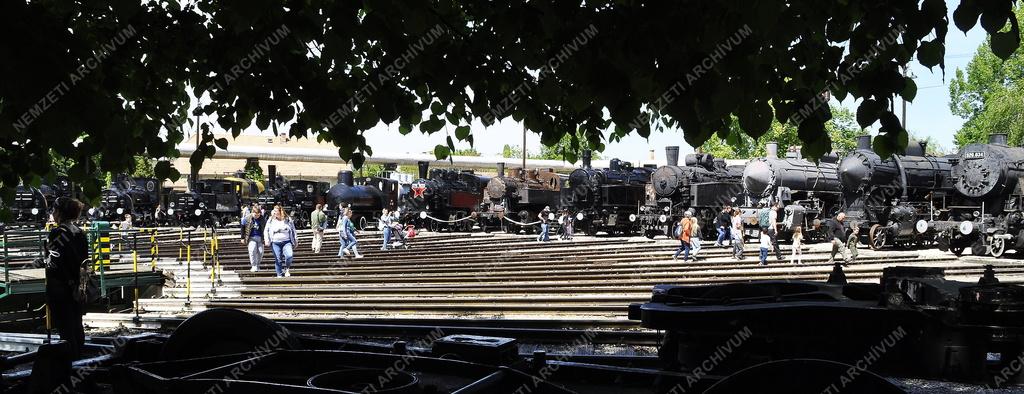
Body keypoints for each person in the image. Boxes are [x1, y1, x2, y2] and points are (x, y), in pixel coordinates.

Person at [44, 197, 89, 357]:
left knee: (65, 329)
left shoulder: (56, 233)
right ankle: (80, 363)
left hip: (60, 289)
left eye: (54, 210)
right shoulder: (80, 233)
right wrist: (80, 287)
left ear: (60, 213)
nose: (53, 214)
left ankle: (70, 365)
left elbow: (55, 263)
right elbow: (84, 263)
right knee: (77, 325)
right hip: (77, 288)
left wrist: (44, 260)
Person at [264, 205, 298, 277]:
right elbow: (266, 230)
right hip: (275, 242)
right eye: (273, 211)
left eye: (275, 211)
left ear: (280, 211)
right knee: (278, 259)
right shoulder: (271, 219)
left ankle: (287, 268)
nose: (273, 212)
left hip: (287, 241)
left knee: (289, 255)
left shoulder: (287, 219)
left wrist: (296, 240)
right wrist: (266, 240)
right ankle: (279, 274)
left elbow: (293, 230)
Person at [241, 205, 267, 272]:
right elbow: (242, 227)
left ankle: (258, 265)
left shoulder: (262, 218)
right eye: (255, 215)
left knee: (260, 252)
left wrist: (266, 238)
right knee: (252, 251)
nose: (257, 216)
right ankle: (253, 265)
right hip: (251, 237)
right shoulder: (247, 218)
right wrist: (242, 237)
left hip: (260, 238)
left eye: (258, 215)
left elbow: (266, 228)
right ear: (252, 213)